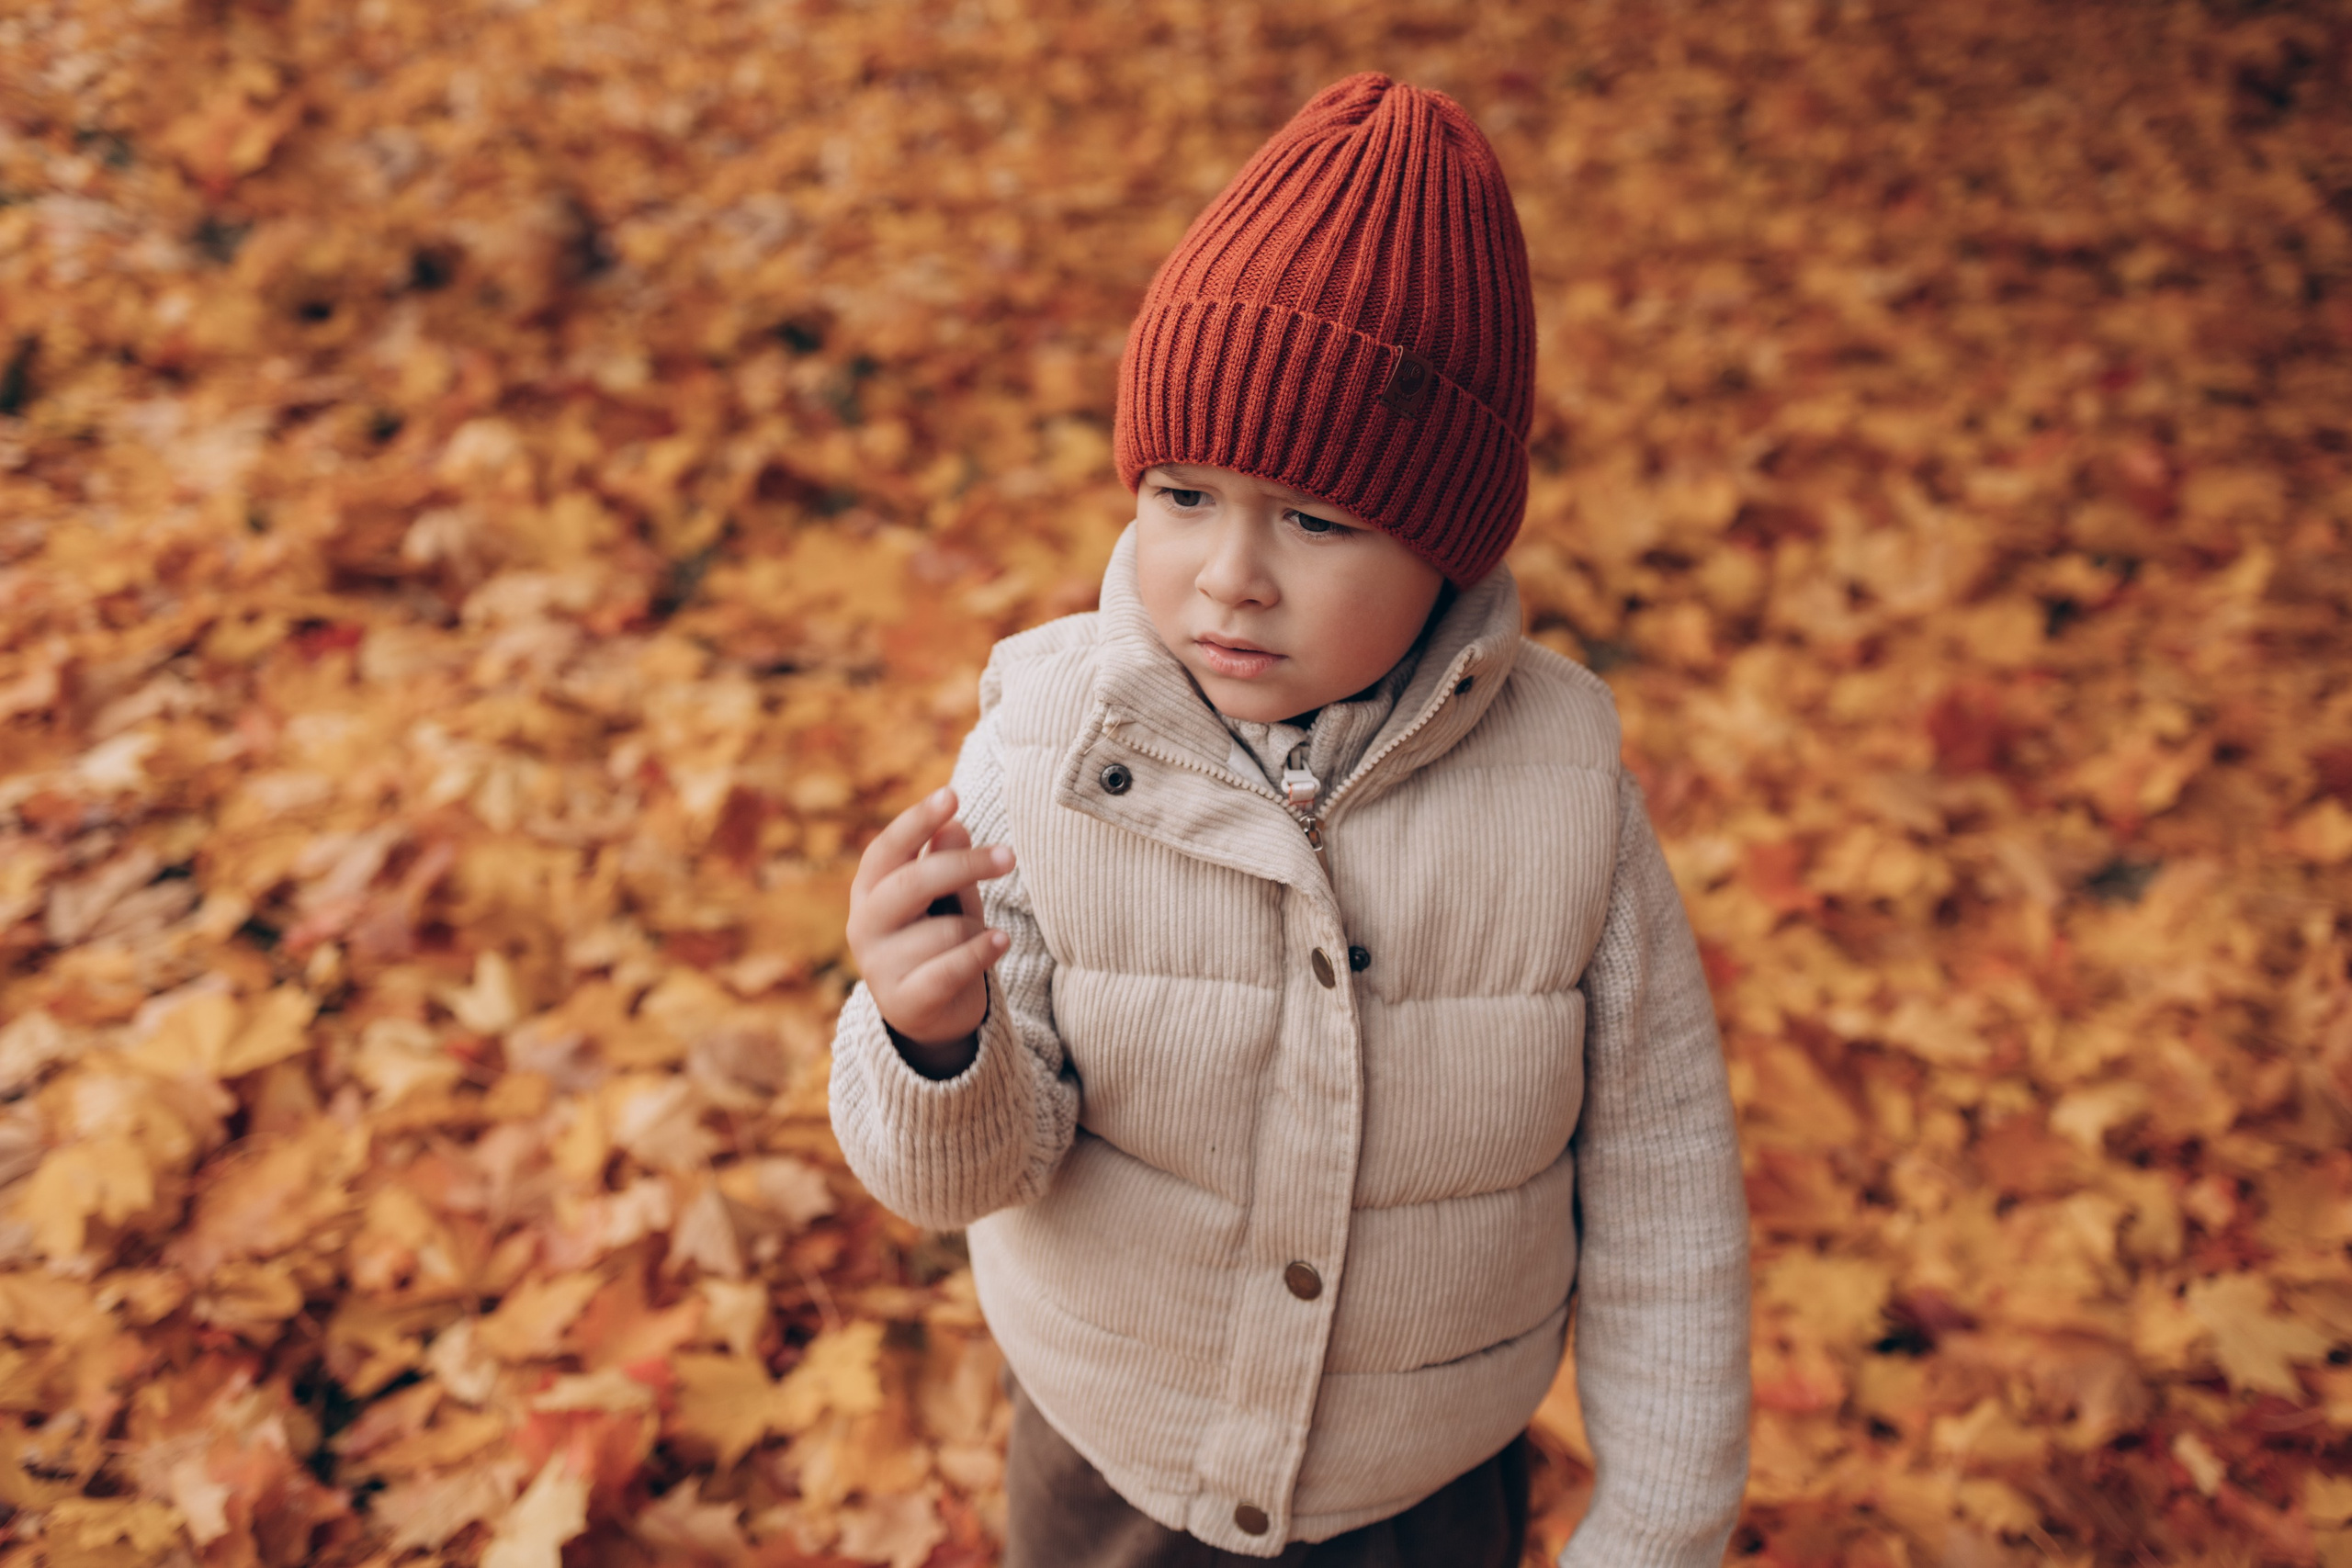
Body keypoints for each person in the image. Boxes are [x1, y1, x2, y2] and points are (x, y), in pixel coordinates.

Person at [830, 72, 1749, 1567]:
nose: (1229, 575)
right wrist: (932, 1044)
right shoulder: (1049, 750)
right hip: (1115, 1467)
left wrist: (1656, 1523)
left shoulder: (1569, 803)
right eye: (1183, 495)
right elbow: (970, 1176)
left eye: (1317, 520)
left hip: (1422, 1493)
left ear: (1448, 544)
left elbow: (1664, 1205)